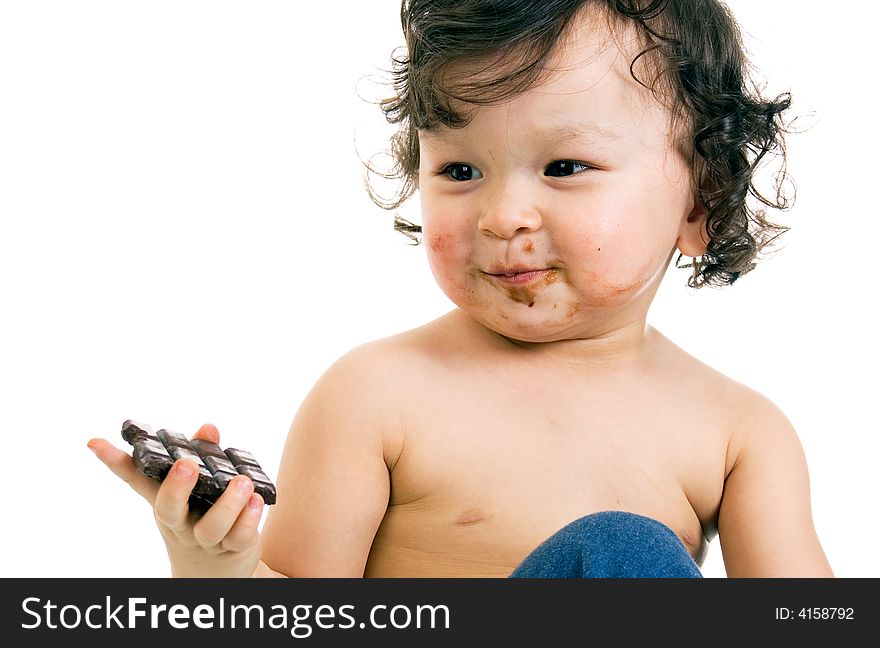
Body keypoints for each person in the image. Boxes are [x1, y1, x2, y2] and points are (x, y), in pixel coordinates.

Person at [88, 0, 834, 578]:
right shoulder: (375, 395)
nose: (502, 216)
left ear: (700, 201)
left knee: (623, 551)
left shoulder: (739, 434)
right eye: (459, 171)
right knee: (622, 548)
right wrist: (217, 567)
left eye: (565, 167)